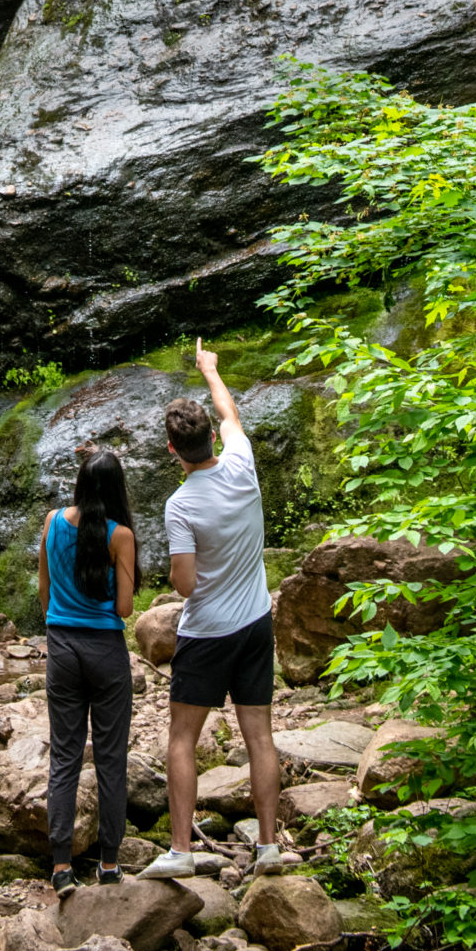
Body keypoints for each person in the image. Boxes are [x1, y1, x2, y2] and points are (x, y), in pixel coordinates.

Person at [142, 341, 284, 880]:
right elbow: (230, 412)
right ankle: (268, 847)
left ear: (173, 451)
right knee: (260, 736)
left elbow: (184, 584)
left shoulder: (180, 505)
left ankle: (181, 850)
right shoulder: (243, 463)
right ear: (209, 439)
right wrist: (210, 370)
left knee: (183, 738)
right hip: (255, 623)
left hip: (207, 635)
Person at [37, 447, 138, 898]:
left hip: (61, 646)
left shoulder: (53, 521)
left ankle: (61, 867)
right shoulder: (121, 536)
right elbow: (125, 608)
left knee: (65, 756)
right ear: (117, 489)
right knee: (111, 758)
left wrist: (61, 619)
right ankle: (110, 864)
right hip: (105, 650)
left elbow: (44, 592)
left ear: (78, 483)